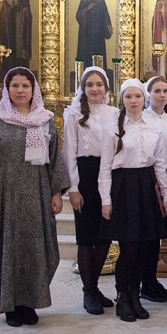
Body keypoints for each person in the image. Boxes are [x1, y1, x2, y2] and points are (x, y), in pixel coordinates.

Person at [0, 67, 69, 327]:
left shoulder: (45, 121)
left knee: (35, 248)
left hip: (37, 195)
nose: (20, 90)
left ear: (34, 90)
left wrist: (56, 192)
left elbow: (55, 159)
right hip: (4, 195)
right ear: (7, 89)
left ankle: (29, 302)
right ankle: (10, 305)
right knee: (5, 248)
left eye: (25, 86)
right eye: (15, 86)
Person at [99, 79, 167, 322]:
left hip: (146, 186)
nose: (133, 101)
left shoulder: (153, 126)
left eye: (137, 96)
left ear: (144, 98)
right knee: (129, 248)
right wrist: (105, 200)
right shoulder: (112, 128)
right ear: (122, 99)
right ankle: (123, 297)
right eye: (128, 96)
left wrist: (165, 196)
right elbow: (105, 167)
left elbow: (160, 164)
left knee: (144, 247)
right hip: (123, 187)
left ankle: (135, 295)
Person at [63, 66, 118, 315]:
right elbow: (69, 153)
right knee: (86, 237)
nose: (94, 89)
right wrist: (73, 188)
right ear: (83, 88)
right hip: (85, 176)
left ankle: (94, 289)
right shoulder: (73, 114)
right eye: (89, 85)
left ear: (106, 88)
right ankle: (89, 291)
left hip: (108, 175)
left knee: (105, 236)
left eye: (99, 84)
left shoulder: (115, 113)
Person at [139, 76, 167, 303]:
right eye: (157, 91)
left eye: (165, 91)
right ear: (148, 93)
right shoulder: (142, 118)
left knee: (160, 231)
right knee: (150, 234)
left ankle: (151, 280)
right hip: (151, 180)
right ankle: (146, 281)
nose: (162, 95)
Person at [0, 0, 32, 75]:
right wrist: (10, 9)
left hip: (21, 26)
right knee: (11, 48)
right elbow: (3, 14)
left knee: (21, 50)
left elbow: (28, 12)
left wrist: (24, 11)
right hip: (11, 27)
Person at [76, 0, 113, 65]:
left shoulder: (101, 0)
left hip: (98, 32)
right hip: (87, 33)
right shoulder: (84, 0)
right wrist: (87, 9)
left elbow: (105, 14)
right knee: (86, 53)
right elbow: (78, 15)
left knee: (98, 52)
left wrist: (108, 25)